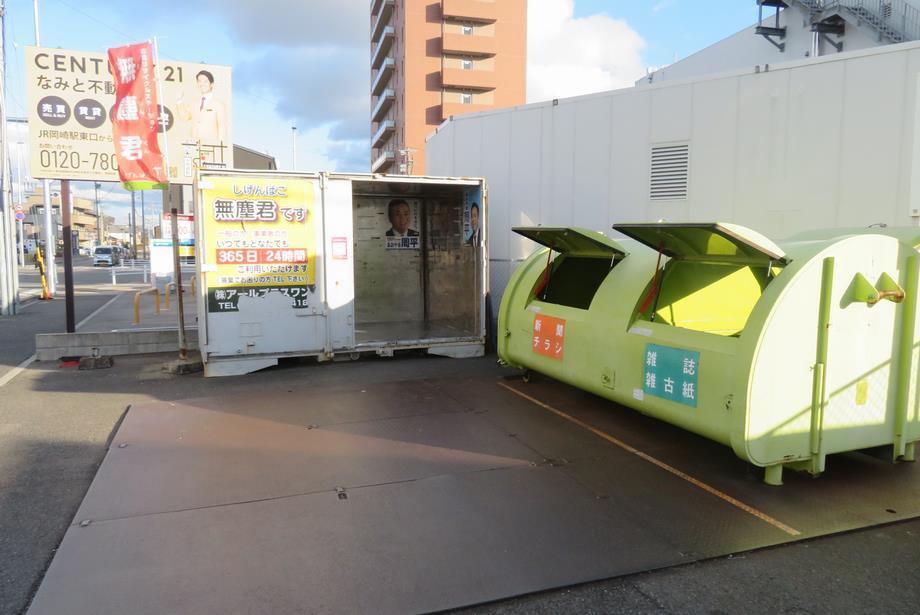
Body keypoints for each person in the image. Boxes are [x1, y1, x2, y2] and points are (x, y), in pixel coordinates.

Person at [177, 70, 227, 144]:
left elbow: (222, 127)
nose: (202, 84)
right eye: (199, 81)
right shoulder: (194, 103)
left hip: (211, 145)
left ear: (211, 84)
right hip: (194, 144)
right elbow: (184, 117)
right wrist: (179, 101)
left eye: (205, 81)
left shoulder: (219, 104)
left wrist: (220, 146)